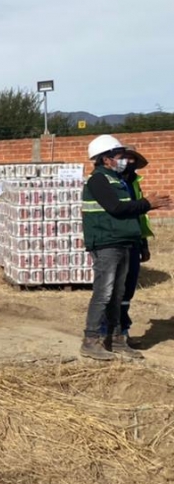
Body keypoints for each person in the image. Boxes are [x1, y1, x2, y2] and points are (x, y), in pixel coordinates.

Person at [80, 135, 171, 361]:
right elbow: (116, 208)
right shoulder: (98, 180)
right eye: (119, 156)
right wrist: (148, 204)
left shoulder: (119, 180)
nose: (124, 160)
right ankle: (91, 340)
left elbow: (130, 211)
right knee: (104, 293)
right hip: (106, 242)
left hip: (123, 241)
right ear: (106, 159)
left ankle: (117, 339)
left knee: (118, 294)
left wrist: (141, 241)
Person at [98, 146, 152, 347]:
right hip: (115, 240)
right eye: (124, 159)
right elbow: (119, 210)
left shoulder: (134, 184)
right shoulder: (110, 183)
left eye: (131, 161)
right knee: (112, 290)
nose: (127, 164)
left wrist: (144, 244)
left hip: (133, 241)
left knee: (128, 290)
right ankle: (106, 332)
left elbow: (139, 216)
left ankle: (123, 331)